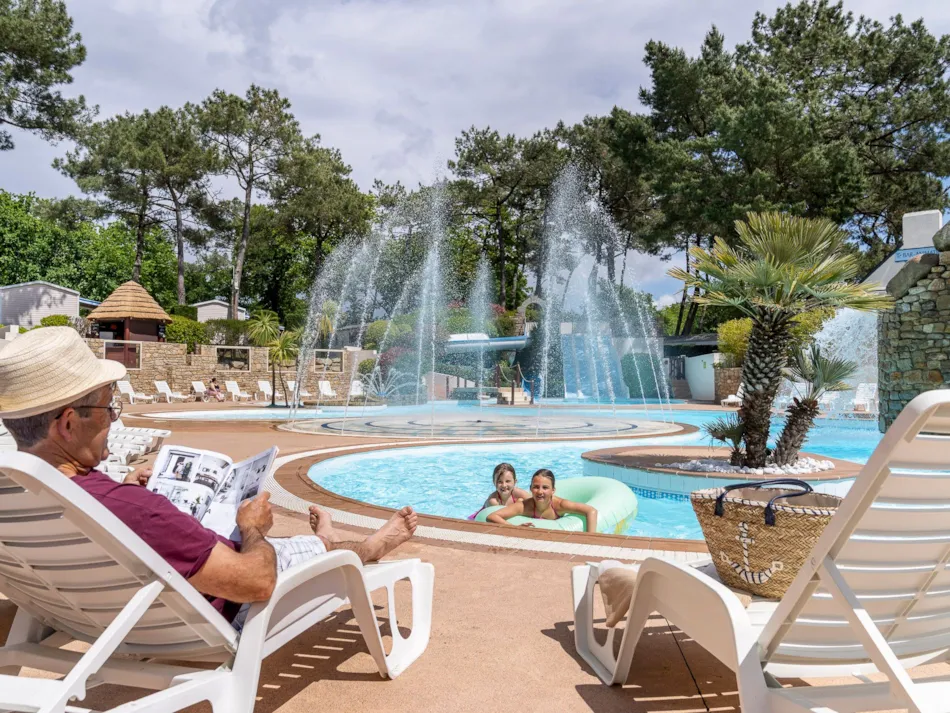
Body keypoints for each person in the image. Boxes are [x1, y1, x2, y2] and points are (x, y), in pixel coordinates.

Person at [0, 327, 419, 630]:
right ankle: (366, 545)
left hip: (97, 614)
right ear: (69, 424)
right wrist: (252, 529)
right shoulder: (130, 511)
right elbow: (256, 582)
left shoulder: (25, 500)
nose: (115, 419)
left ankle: (330, 540)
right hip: (219, 605)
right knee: (311, 549)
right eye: (110, 409)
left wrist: (125, 487)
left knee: (287, 543)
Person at [486, 468, 599, 533]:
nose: (540, 492)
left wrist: (589, 538)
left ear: (553, 490)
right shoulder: (525, 506)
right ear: (530, 489)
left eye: (545, 488)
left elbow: (591, 511)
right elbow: (492, 516)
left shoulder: (559, 505)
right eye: (536, 487)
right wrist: (515, 528)